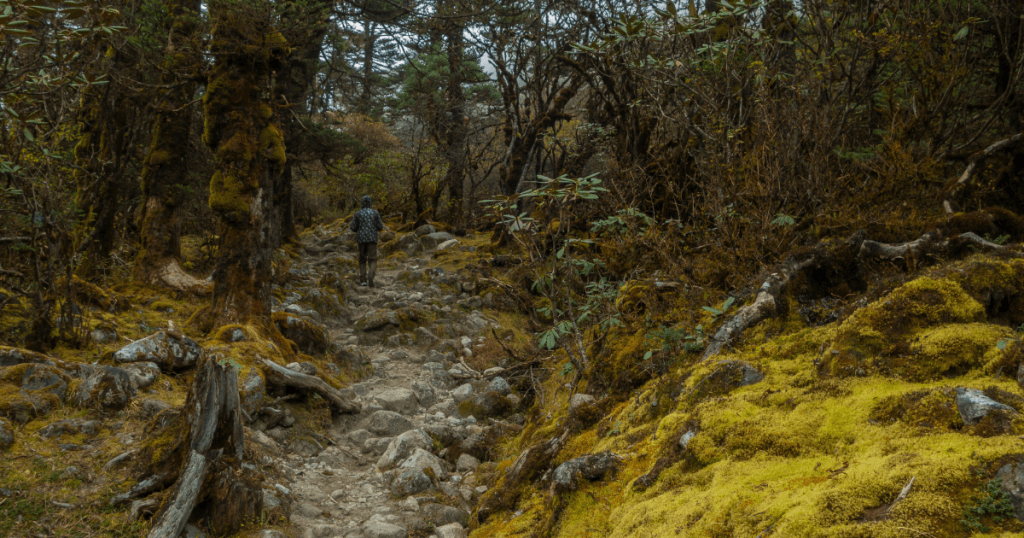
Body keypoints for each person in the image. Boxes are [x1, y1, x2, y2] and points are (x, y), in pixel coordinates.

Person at [350, 195, 385, 287]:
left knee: (362, 259)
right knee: (373, 259)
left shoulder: (358, 213)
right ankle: (371, 275)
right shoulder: (375, 213)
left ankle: (363, 280)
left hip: (361, 239)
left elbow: (353, 228)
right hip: (372, 239)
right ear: (370, 203)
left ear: (361, 203)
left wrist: (360, 228)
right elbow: (380, 226)